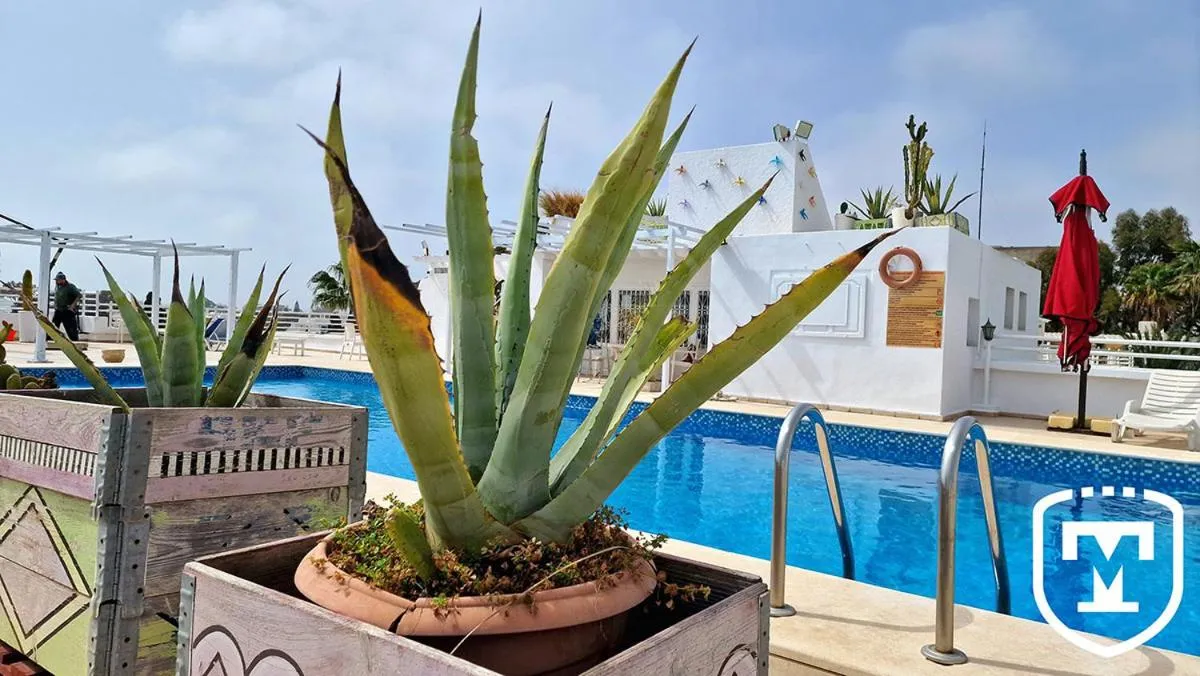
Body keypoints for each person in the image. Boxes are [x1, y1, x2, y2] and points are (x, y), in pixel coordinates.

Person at [52, 272, 82, 341]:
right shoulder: (57, 286)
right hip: (58, 310)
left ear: (63, 280)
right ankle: (50, 339)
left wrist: (72, 306)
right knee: (54, 326)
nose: (57, 281)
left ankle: (75, 342)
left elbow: (79, 295)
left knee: (71, 328)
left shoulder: (70, 287)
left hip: (67, 310)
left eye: (58, 280)